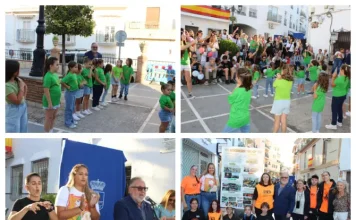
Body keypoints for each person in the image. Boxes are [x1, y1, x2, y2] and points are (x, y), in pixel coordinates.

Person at [223, 68, 252, 133]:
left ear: (239, 78)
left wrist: (235, 88)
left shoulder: (237, 90)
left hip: (236, 118)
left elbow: (230, 101)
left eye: (236, 76)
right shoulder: (248, 89)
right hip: (245, 118)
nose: (235, 77)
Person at [5, 60, 28, 133]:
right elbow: (17, 101)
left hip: (23, 107)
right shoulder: (6, 85)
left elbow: (26, 87)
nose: (19, 70)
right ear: (13, 71)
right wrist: (21, 88)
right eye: (18, 69)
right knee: (14, 130)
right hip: (13, 110)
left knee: (24, 130)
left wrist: (23, 98)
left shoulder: (17, 80)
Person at [325, 65, 350, 130]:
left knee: (334, 109)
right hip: (343, 95)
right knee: (339, 108)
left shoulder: (339, 79)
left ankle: (333, 124)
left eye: (340, 69)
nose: (339, 70)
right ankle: (339, 121)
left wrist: (333, 77)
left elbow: (332, 85)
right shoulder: (347, 77)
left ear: (342, 70)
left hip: (337, 96)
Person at [270, 64, 293, 133]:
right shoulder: (290, 80)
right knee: (284, 120)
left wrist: (277, 78)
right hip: (287, 101)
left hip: (279, 102)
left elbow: (274, 85)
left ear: (283, 71)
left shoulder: (279, 80)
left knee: (277, 122)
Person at [42, 57, 60, 133]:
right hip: (50, 102)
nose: (58, 66)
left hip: (56, 101)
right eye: (57, 64)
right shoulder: (48, 76)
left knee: (53, 117)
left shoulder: (55, 75)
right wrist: (49, 103)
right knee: (49, 117)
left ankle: (51, 129)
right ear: (51, 65)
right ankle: (46, 132)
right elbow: (46, 90)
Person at [61, 61, 79, 129]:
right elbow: (62, 81)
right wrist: (67, 87)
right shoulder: (69, 75)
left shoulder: (74, 74)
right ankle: (68, 123)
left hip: (74, 93)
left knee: (72, 108)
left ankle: (71, 120)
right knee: (69, 108)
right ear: (71, 68)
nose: (77, 68)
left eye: (77, 67)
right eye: (75, 67)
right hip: (70, 94)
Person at [181, 29, 197, 98]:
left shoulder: (187, 43)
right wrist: (192, 42)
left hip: (187, 63)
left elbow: (193, 50)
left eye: (186, 34)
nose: (185, 35)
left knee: (189, 80)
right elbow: (182, 48)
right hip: (180, 63)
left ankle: (190, 93)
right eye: (184, 34)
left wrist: (195, 43)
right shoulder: (179, 43)